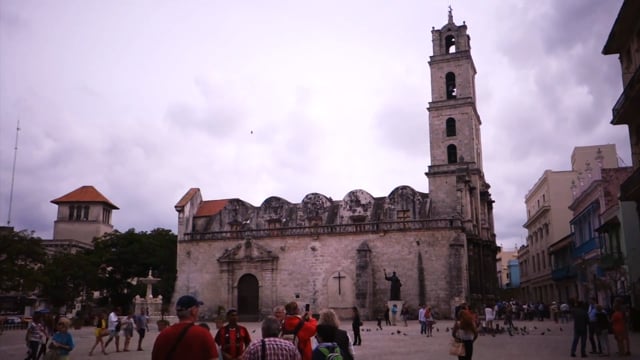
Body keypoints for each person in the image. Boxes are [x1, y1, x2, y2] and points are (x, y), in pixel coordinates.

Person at [152, 295, 219, 360]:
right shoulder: (203, 334)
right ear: (193, 311)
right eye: (197, 307)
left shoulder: (163, 335)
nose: (199, 310)